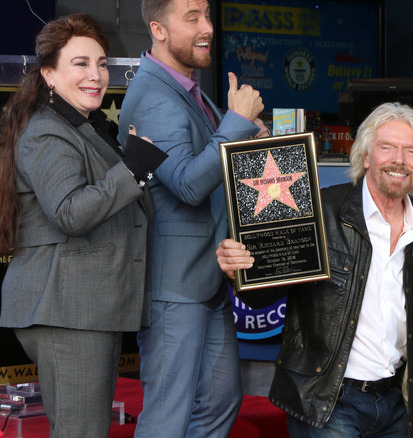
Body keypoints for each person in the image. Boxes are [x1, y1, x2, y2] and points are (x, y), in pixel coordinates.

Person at [216, 102, 413, 437]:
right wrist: (239, 271)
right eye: (387, 147)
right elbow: (264, 295)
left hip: (395, 400)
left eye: (411, 151)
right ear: (366, 155)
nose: (399, 160)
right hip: (328, 399)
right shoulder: (321, 210)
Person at [0, 13, 165, 437]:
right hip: (67, 311)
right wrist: (132, 168)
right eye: (80, 63)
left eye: (102, 63)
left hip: (88, 310)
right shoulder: (48, 132)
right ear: (50, 74)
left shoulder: (83, 128)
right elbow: (70, 212)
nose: (96, 75)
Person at [116, 0, 267, 436]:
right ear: (158, 30)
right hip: (173, 288)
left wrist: (252, 136)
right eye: (192, 18)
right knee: (169, 415)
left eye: (207, 15)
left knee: (220, 402)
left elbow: (216, 165)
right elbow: (185, 182)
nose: (208, 27)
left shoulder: (189, 92)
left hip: (208, 280)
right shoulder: (152, 97)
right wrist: (235, 123)